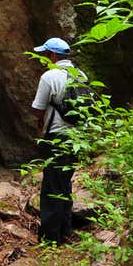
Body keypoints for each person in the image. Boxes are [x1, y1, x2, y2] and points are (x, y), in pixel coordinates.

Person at [30, 37, 85, 245]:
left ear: (53, 55)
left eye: (46, 54)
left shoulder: (49, 76)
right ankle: (66, 229)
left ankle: (50, 236)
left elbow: (38, 108)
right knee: (65, 183)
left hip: (56, 136)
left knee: (51, 185)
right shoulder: (80, 75)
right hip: (77, 138)